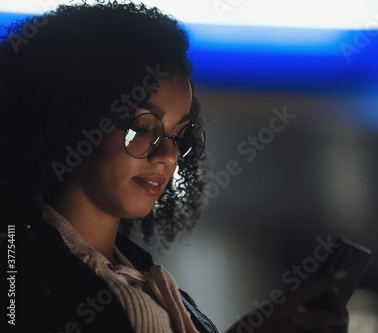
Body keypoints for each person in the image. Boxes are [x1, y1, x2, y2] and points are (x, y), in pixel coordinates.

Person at [0, 2, 349, 332]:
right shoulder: (17, 267)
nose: (167, 155)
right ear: (73, 120)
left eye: (179, 135)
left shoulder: (154, 283)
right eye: (141, 128)